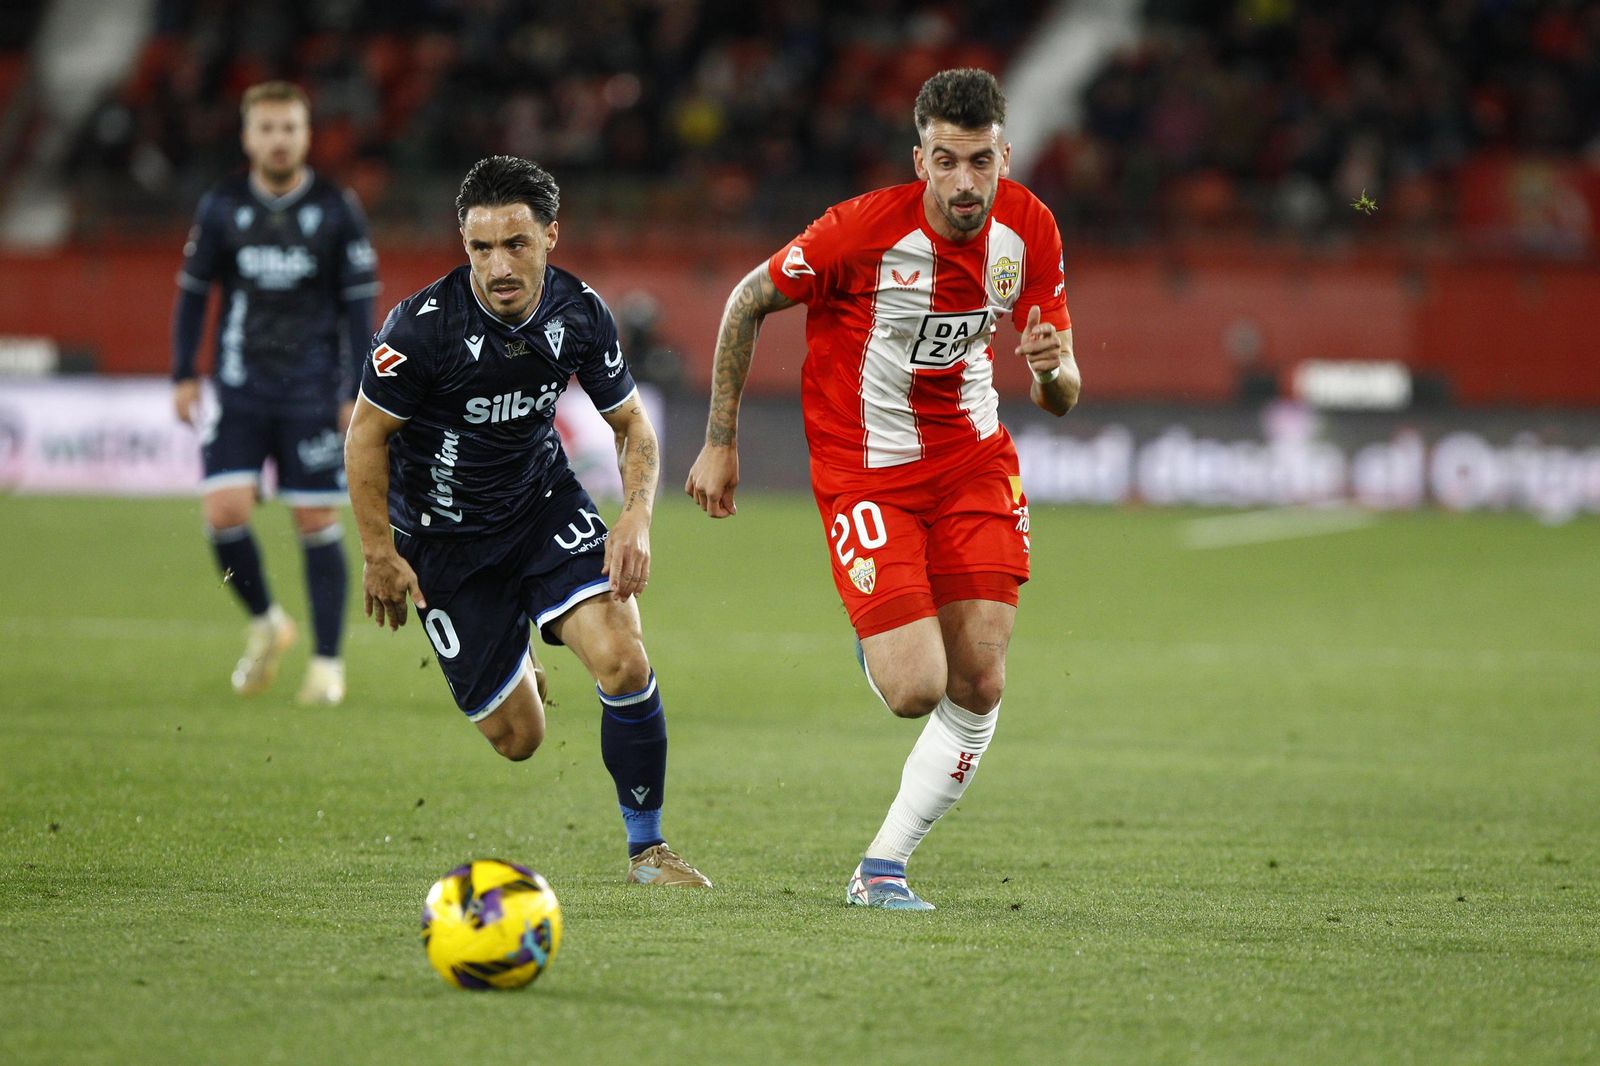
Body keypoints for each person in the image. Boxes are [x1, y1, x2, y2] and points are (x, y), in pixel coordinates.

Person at [685, 68, 1080, 909]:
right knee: (915, 689)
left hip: (974, 459)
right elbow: (745, 301)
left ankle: (882, 866)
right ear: (920, 159)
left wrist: (1053, 373)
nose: (965, 183)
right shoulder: (857, 233)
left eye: (980, 161)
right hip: (866, 469)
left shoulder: (1030, 230)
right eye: (946, 161)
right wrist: (721, 440)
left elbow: (1061, 392)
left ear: (1004, 155)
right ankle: (882, 636)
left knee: (981, 680)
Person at [345, 155, 712, 888]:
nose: (498, 265)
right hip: (444, 541)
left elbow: (633, 426)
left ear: (550, 234)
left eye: (516, 244)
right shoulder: (421, 329)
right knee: (519, 740)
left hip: (540, 504)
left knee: (623, 656)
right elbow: (365, 437)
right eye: (481, 248)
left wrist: (635, 517)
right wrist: (379, 553)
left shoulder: (579, 313)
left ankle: (649, 850)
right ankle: (519, 649)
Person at [171, 81, 379, 706]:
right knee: (223, 515)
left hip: (313, 394)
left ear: (306, 134)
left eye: (290, 127)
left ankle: (326, 662)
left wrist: (355, 389)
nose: (279, 139)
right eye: (267, 128)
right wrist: (184, 372)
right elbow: (193, 293)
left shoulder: (337, 209)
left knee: (315, 520)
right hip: (239, 389)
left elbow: (359, 308)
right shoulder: (222, 206)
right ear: (248, 136)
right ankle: (264, 619)